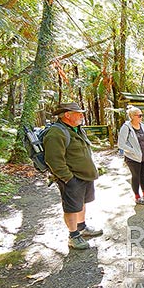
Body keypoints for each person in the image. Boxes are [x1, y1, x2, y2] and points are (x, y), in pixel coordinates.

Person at [43, 102, 102, 250]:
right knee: (71, 207)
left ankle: (82, 227)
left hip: (85, 176)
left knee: (81, 202)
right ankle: (73, 236)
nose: (82, 115)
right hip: (71, 177)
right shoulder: (56, 133)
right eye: (79, 113)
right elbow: (53, 160)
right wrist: (68, 178)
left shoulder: (76, 129)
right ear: (67, 115)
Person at [118, 106, 144, 205]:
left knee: (143, 175)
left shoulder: (142, 126)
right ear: (132, 116)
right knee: (136, 176)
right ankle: (137, 197)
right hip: (132, 158)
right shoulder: (126, 127)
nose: (141, 117)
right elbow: (121, 144)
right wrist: (132, 151)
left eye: (141, 115)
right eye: (139, 115)